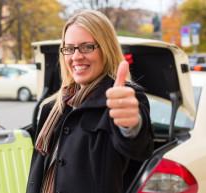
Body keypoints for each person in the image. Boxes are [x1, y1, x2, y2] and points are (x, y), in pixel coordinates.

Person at [26, 9, 153, 193]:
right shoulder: (52, 107)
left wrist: (131, 125)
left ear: (106, 48)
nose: (76, 56)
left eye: (87, 47)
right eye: (69, 48)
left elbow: (139, 147)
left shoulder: (120, 97)